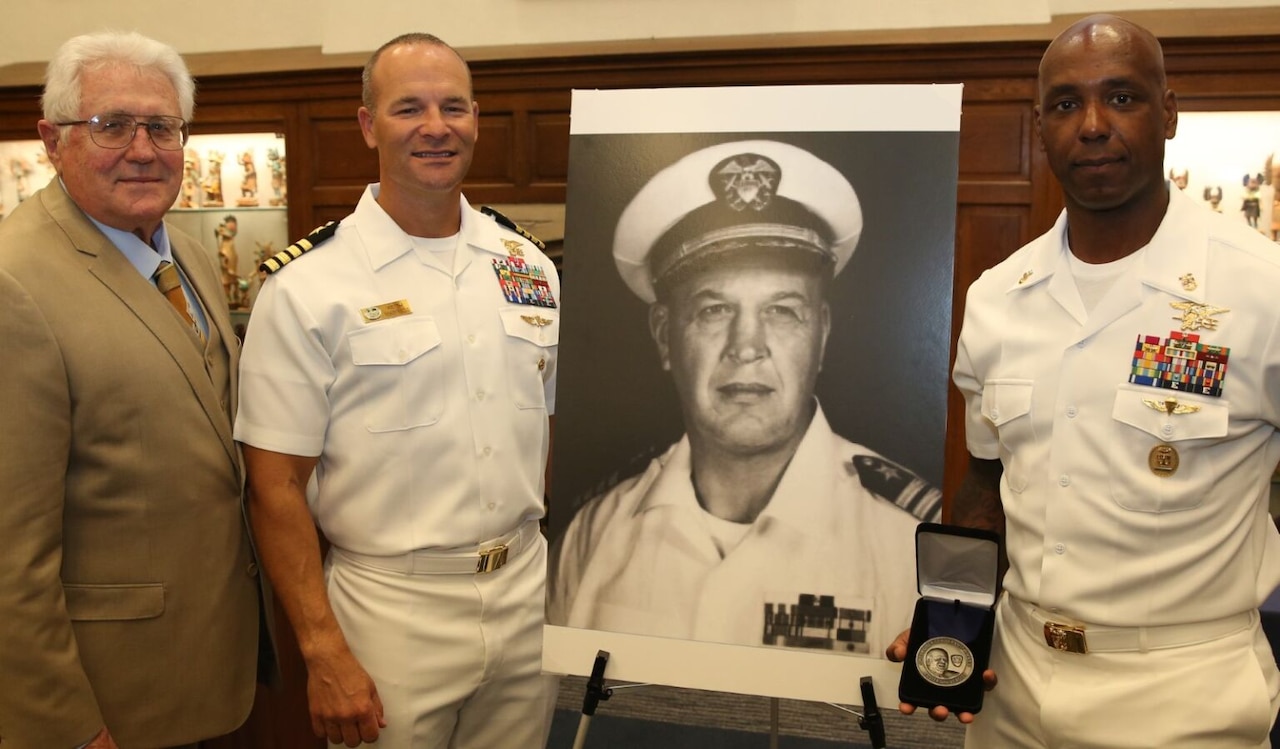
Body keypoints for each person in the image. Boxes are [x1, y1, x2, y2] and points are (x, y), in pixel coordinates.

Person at [892, 14, 1280, 748]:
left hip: (1184, 694)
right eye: (1067, 104)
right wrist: (953, 617)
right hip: (1013, 683)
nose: (1094, 125)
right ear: (1041, 127)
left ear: (1169, 113)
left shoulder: (1262, 290)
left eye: (1122, 97)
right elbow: (986, 479)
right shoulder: (998, 296)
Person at [235, 33, 559, 748]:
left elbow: (549, 426)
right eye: (409, 108)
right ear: (367, 124)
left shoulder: (528, 266)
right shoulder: (308, 285)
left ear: (477, 120)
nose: (435, 127)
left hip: (526, 592)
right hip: (391, 608)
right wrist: (323, 649)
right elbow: (275, 485)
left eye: (454, 107)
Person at [548, 139, 939, 658]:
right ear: (664, 336)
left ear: (821, 334)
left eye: (782, 310)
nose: (747, 347)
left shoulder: (911, 543)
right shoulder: (593, 534)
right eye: (713, 310)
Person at [0, 31, 260, 749]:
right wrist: (64, 726)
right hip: (108, 700)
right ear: (52, 141)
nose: (143, 149)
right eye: (111, 125)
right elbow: (9, 552)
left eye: (162, 127)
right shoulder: (14, 283)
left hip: (207, 673)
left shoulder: (190, 257)